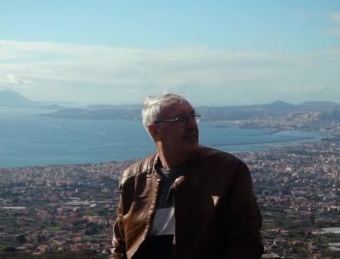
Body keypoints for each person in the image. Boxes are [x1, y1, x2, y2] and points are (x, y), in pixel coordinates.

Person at [111, 93, 263, 258]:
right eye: (181, 119)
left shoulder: (227, 170)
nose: (191, 125)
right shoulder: (133, 178)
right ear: (155, 131)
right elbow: (120, 245)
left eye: (192, 116)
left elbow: (246, 242)